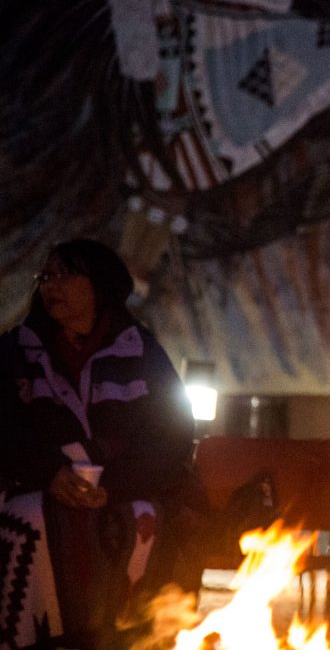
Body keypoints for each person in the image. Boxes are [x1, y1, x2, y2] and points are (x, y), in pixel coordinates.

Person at [0, 239, 195, 649]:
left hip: (122, 487)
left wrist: (114, 487)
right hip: (34, 485)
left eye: (66, 274)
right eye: (47, 276)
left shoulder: (140, 351)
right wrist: (48, 474)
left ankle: (131, 637)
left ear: (100, 286)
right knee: (33, 522)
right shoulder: (15, 353)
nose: (52, 285)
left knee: (144, 519)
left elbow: (172, 436)